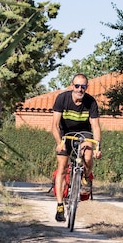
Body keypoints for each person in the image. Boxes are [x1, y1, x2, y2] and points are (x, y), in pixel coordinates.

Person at [51, 73, 102, 222]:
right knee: (62, 167)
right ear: (72, 86)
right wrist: (59, 142)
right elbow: (54, 125)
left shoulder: (91, 102)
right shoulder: (62, 98)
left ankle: (86, 178)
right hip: (65, 133)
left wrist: (97, 145)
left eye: (83, 86)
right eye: (77, 86)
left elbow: (96, 126)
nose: (80, 89)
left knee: (87, 156)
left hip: (84, 132)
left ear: (87, 88)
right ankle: (60, 206)